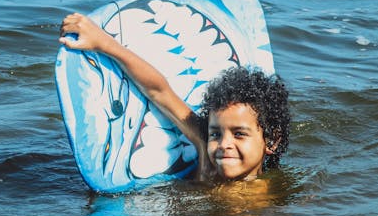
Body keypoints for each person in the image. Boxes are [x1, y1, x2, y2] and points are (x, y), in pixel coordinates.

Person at [59, 13, 290, 183]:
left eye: (239, 134)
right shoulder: (207, 160)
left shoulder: (277, 197)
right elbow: (160, 91)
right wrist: (104, 43)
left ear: (271, 141)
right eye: (215, 134)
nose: (224, 144)